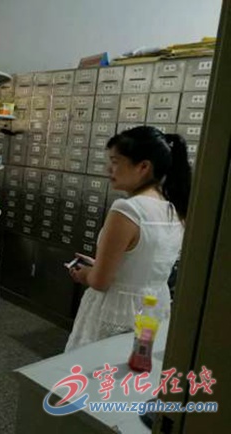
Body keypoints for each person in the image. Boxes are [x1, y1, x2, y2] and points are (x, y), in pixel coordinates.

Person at [65, 126, 191, 352]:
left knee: (96, 366)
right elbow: (142, 266)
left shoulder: (127, 209)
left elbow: (100, 282)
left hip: (118, 310)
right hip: (154, 308)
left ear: (143, 167)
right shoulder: (174, 209)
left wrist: (85, 274)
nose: (109, 168)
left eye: (115, 161)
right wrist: (100, 265)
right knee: (136, 366)